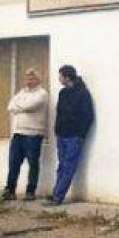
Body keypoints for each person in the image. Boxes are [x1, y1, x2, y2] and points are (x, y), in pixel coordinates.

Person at [44, 65, 94, 207]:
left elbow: (88, 116)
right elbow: (59, 112)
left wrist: (80, 134)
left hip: (74, 136)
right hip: (62, 134)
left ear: (67, 77)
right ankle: (56, 193)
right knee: (61, 165)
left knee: (69, 166)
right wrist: (57, 129)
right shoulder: (63, 93)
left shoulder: (82, 93)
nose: (59, 79)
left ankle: (58, 196)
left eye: (61, 76)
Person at [2, 69, 49, 201]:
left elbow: (30, 106)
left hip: (33, 134)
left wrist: (19, 107)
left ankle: (30, 191)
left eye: (32, 78)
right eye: (27, 78)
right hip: (17, 133)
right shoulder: (22, 92)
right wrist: (19, 106)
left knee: (33, 163)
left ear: (38, 80)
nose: (29, 81)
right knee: (13, 163)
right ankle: (10, 190)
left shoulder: (42, 94)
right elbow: (10, 106)